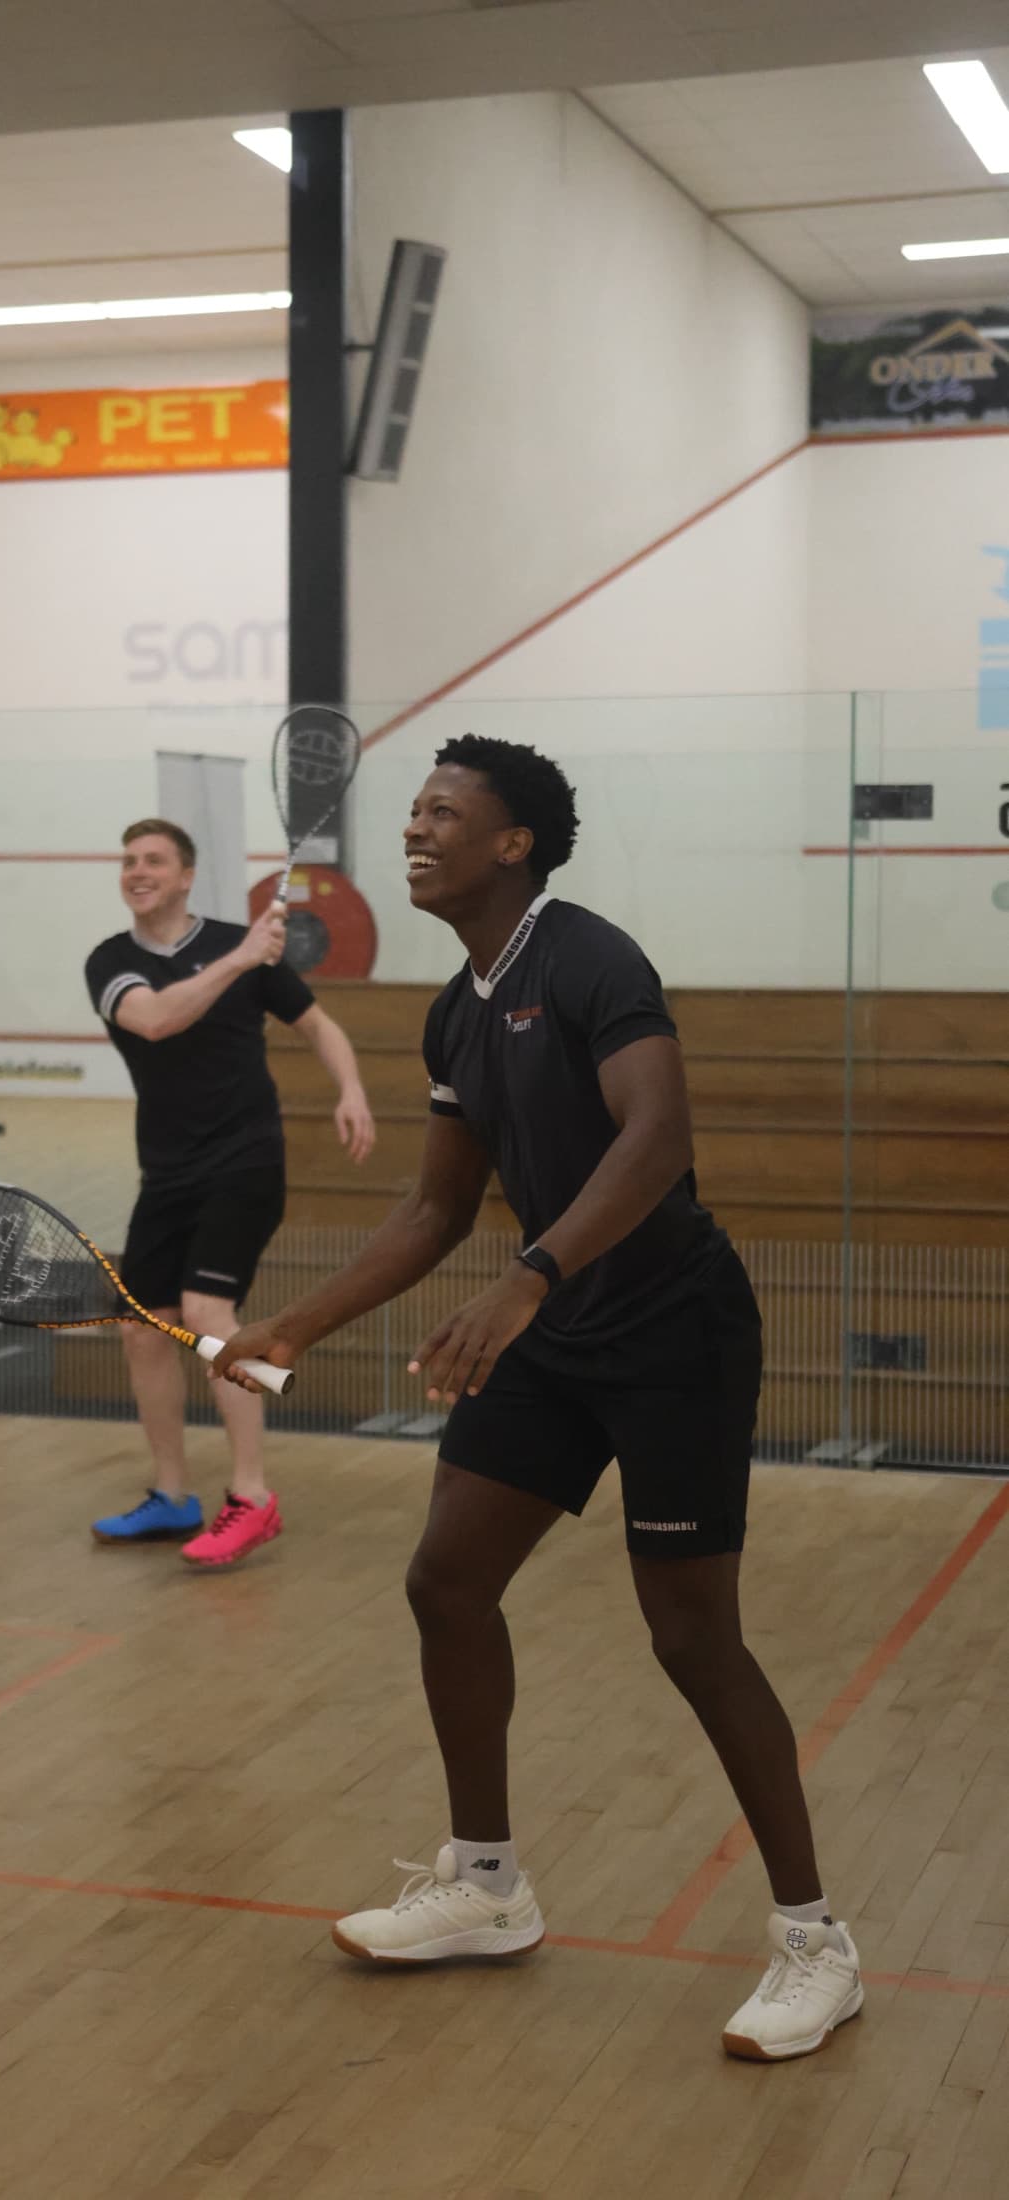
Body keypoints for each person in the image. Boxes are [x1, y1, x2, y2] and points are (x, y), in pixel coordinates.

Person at [213, 735, 862, 2061]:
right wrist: (291, 1324)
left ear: (512, 843)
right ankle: (487, 1886)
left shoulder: (588, 960)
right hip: (557, 1332)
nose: (416, 828)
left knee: (691, 1639)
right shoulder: (456, 1010)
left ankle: (814, 1944)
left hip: (672, 1330)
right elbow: (436, 1204)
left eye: (445, 812)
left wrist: (527, 1281)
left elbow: (655, 1138)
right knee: (445, 1583)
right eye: (414, 809)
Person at [84, 817, 376, 1569]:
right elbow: (153, 1020)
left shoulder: (240, 948)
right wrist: (242, 957)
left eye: (154, 860)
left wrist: (351, 1089)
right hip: (167, 1173)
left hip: (245, 1162)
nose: (137, 870)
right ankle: (173, 1495)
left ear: (185, 876)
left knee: (211, 1315)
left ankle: (253, 1496)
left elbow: (320, 1026)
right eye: (129, 861)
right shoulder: (111, 962)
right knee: (143, 1328)